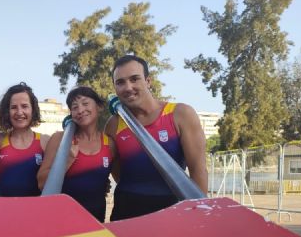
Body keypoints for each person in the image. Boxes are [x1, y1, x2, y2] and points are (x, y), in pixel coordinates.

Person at [105, 54, 208, 221]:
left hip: (172, 210)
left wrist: (200, 214)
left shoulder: (180, 114)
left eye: (134, 79)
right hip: (126, 212)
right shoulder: (113, 124)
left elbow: (198, 170)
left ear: (148, 81)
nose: (128, 87)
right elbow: (118, 173)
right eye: (120, 82)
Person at [37, 86, 114, 221]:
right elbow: (42, 183)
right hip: (62, 219)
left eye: (85, 103)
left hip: (96, 220)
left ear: (99, 107)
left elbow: (113, 179)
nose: (80, 110)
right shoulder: (60, 139)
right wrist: (66, 160)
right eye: (74, 107)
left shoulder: (110, 144)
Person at [0, 83, 49, 197]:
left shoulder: (45, 142)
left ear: (33, 109)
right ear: (7, 112)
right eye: (14, 107)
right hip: (6, 207)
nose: (19, 112)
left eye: (24, 106)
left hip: (38, 208)